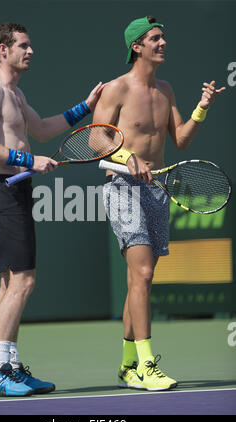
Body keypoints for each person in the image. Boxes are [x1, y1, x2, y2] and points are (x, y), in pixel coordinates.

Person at [0, 22, 104, 397]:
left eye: (30, 46)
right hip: (1, 192)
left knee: (11, 282)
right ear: (3, 51)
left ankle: (6, 366)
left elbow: (43, 129)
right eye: (24, 46)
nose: (31, 51)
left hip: (15, 191)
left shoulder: (15, 94)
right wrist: (28, 159)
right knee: (24, 281)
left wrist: (86, 107)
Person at [93, 15, 225, 391]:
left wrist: (202, 106)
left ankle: (126, 366)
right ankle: (148, 365)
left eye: (163, 38)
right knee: (144, 274)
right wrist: (127, 157)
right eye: (154, 38)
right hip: (121, 186)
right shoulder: (115, 89)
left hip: (157, 188)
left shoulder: (165, 90)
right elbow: (95, 140)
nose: (162, 43)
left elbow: (181, 139)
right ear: (137, 47)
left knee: (141, 280)